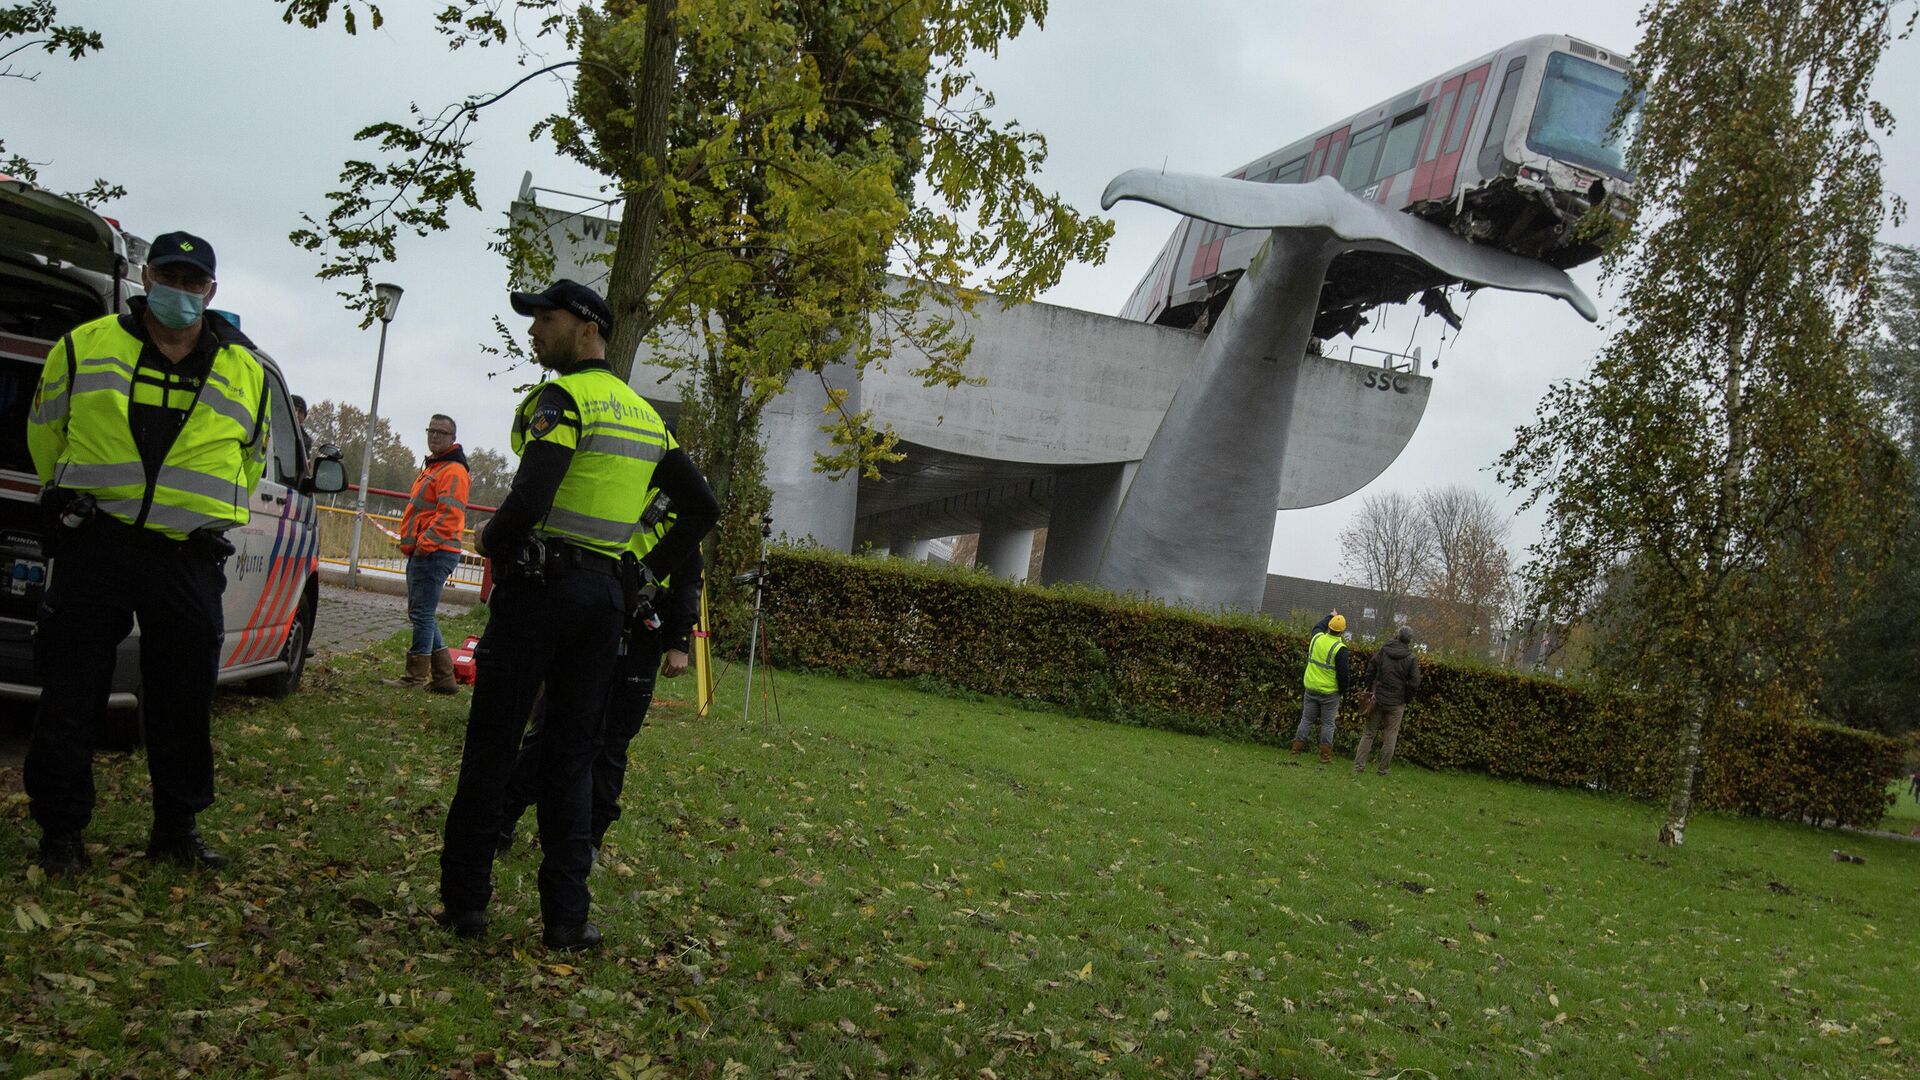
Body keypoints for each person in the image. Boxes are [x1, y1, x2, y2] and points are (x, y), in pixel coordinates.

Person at [436, 279, 717, 952]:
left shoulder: (562, 400)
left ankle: (466, 903)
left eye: (546, 319)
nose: (534, 330)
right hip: (604, 605)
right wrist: (641, 569)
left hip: (539, 594)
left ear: (588, 327)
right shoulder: (646, 417)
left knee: (494, 748)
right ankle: (567, 918)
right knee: (572, 759)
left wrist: (489, 540)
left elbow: (532, 495)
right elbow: (701, 508)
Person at [24, 231, 270, 874]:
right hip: (97, 542)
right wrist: (77, 499)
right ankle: (61, 833)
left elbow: (249, 458)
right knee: (72, 693)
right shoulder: (84, 345)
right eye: (169, 276)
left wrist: (202, 516)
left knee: (184, 699)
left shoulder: (245, 369)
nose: (180, 292)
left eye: (194, 283)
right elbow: (45, 432)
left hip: (186, 555)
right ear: (146, 277)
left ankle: (176, 829)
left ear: (211, 292)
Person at [498, 536, 703, 856]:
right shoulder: (617, 495)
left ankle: (588, 841)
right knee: (552, 729)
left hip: (640, 634)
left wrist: (679, 640)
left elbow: (689, 577)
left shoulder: (676, 501)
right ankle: (504, 819)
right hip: (589, 623)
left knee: (612, 745)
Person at [395, 413, 470, 692]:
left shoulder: (452, 470)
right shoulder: (436, 467)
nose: (435, 435)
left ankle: (415, 677)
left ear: (453, 438)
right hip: (428, 552)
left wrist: (424, 545)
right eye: (432, 430)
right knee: (422, 612)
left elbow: (449, 515)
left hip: (434, 553)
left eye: (442, 432)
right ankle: (444, 679)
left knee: (422, 614)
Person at [1353, 625, 1421, 776]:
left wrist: (1369, 688)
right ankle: (1383, 769)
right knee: (1390, 735)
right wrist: (1406, 698)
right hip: (1396, 702)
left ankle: (1358, 767)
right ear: (1409, 640)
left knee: (1369, 733)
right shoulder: (1411, 658)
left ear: (1397, 635)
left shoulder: (1384, 650)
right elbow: (1415, 682)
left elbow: (1371, 668)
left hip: (1377, 698)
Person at [1293, 611, 1351, 764]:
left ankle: (1296, 750)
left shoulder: (1316, 638)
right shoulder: (1340, 649)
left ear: (1329, 627)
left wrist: (1330, 616)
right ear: (1343, 631)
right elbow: (1343, 675)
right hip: (1330, 693)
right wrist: (1343, 691)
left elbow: (1318, 626)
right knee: (1328, 724)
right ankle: (1325, 756)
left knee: (1306, 720)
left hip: (1311, 688)